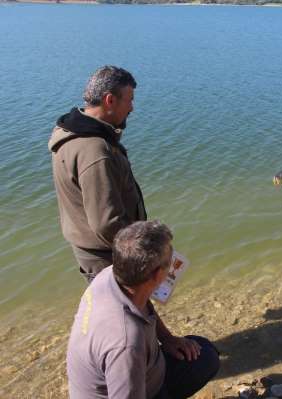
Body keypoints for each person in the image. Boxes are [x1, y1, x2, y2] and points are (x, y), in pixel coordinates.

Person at [67, 220, 220, 399]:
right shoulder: (126, 343)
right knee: (206, 360)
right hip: (141, 387)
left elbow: (143, 303)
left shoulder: (112, 275)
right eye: (169, 260)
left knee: (203, 351)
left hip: (145, 372)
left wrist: (167, 338)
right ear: (156, 275)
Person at [49, 65, 147, 282]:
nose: (132, 107)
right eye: (129, 100)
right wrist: (145, 254)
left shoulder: (72, 131)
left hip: (94, 251)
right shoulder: (94, 151)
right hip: (108, 257)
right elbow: (107, 222)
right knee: (125, 314)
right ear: (110, 100)